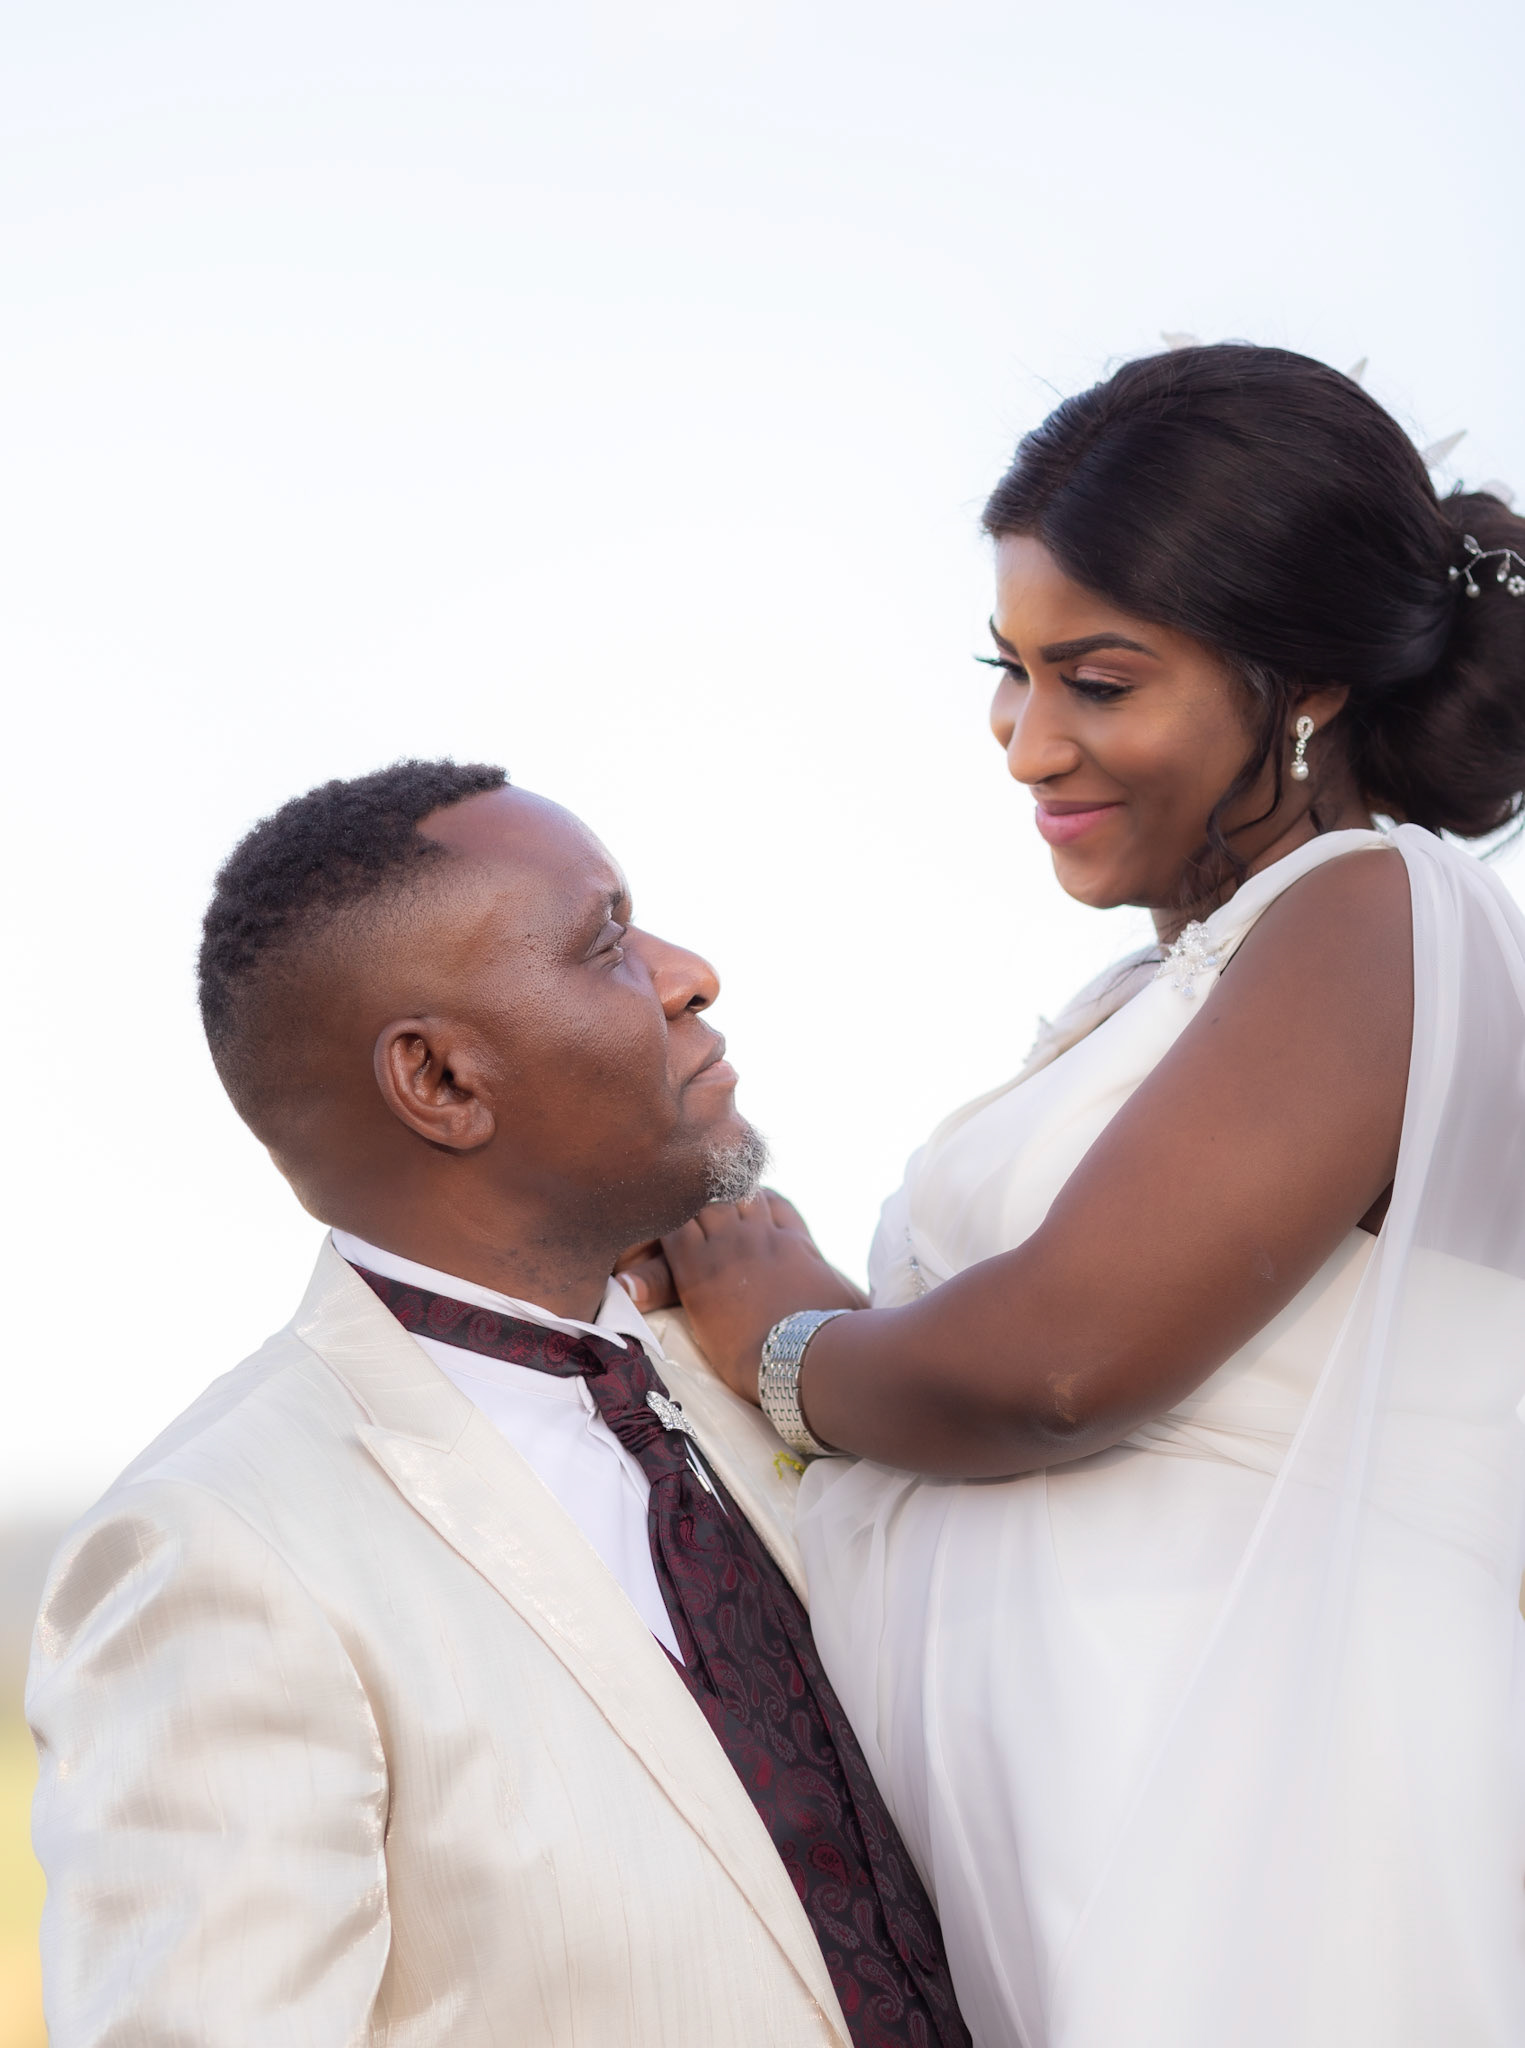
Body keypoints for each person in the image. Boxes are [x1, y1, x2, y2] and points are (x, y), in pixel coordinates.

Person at [637, 346, 1525, 2047]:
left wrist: (790, 1344)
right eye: (1011, 668)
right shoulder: (1177, 976)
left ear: (1307, 682)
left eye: (1098, 680)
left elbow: (1061, 1362)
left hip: (1248, 1827)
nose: (1026, 742)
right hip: (1102, 1823)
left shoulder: (1373, 915)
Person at [26, 762, 969, 2048]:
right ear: (442, 1080)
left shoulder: (752, 1361)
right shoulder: (223, 1544)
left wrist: (814, 1348)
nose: (690, 972)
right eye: (605, 944)